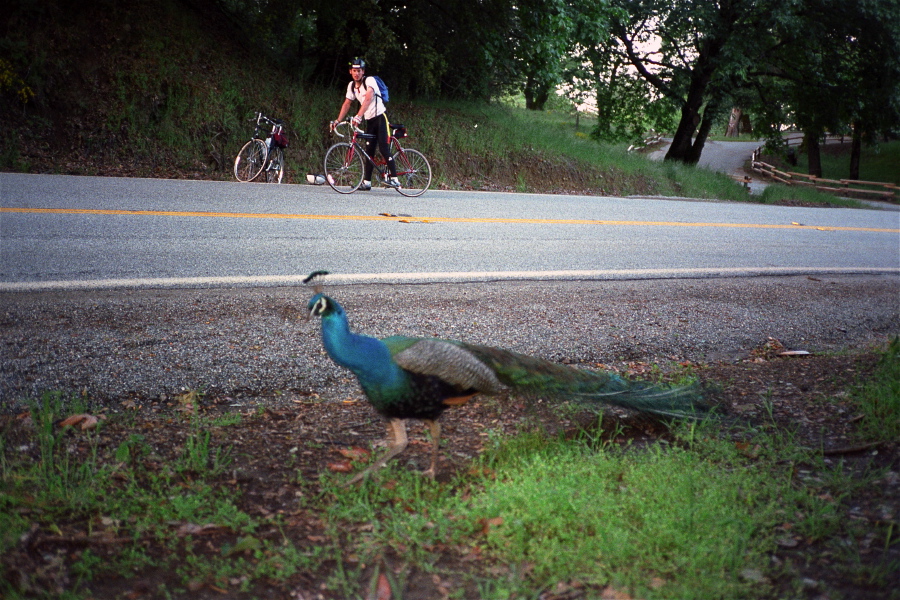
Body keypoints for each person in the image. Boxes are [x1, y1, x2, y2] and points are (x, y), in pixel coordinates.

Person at [332, 58, 400, 189]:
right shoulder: (351, 86)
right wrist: (337, 120)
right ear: (350, 71)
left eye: (359, 71)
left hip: (380, 118)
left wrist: (358, 116)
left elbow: (368, 98)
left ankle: (395, 179)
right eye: (354, 71)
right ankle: (367, 182)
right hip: (370, 121)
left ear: (363, 71)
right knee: (369, 152)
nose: (356, 73)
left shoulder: (369, 81)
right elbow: (347, 103)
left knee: (384, 148)